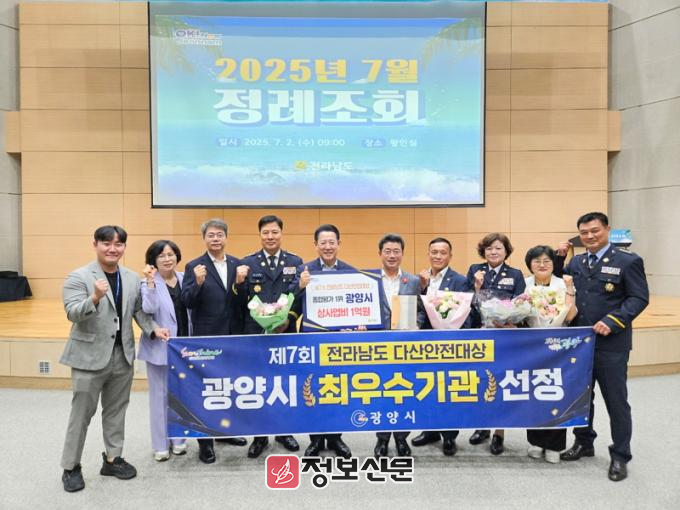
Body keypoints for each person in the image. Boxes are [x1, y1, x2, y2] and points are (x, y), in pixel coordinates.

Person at [60, 226, 169, 493]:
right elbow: (73, 313)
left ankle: (112, 459)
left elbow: (138, 311)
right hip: (89, 357)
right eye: (106, 243)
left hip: (123, 355)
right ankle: (71, 466)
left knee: (116, 411)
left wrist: (153, 328)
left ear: (124, 248)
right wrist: (94, 298)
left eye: (118, 244)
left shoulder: (130, 278)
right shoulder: (79, 276)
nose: (112, 249)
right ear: (95, 244)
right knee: (81, 414)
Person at [557, 212, 649, 482]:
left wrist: (613, 320)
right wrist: (558, 259)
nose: (590, 236)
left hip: (611, 344)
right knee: (582, 398)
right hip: (579, 344)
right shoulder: (577, 261)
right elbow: (563, 287)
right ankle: (584, 442)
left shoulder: (628, 261)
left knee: (616, 401)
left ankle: (620, 455)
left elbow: (639, 297)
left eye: (595, 231)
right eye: (584, 233)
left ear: (607, 229)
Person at [181, 219, 248, 463]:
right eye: (211, 235)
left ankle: (225, 432)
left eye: (220, 234)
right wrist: (198, 283)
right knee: (207, 389)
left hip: (233, 336)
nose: (216, 239)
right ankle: (205, 443)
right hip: (207, 338)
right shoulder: (194, 266)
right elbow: (187, 301)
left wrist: (240, 284)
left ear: (226, 237)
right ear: (204, 239)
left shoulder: (238, 264)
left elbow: (244, 303)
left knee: (229, 387)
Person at [240, 215, 302, 458]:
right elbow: (240, 300)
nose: (270, 236)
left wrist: (289, 319)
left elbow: (300, 297)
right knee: (260, 384)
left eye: (274, 232)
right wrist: (239, 282)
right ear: (260, 235)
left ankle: (285, 432)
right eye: (265, 232)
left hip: (286, 333)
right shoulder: (248, 263)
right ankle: (260, 436)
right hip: (257, 334)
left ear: (281, 234)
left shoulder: (295, 262)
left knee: (285, 384)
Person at [294, 224, 354, 459]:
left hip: (338, 341)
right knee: (313, 389)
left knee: (338, 388)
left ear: (339, 244)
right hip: (311, 339)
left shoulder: (350, 272)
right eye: (323, 243)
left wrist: (360, 323)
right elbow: (290, 301)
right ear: (316, 245)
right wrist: (300, 286)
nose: (327, 247)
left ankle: (336, 437)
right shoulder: (304, 270)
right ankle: (316, 440)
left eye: (332, 242)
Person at [467, 232, 526, 455]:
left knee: (501, 382)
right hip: (480, 334)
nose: (493, 252)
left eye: (498, 248)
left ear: (506, 251)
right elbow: (467, 302)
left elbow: (521, 303)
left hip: (505, 336)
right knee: (481, 381)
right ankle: (482, 426)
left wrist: (510, 320)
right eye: (489, 248)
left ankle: (499, 433)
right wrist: (477, 287)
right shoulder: (475, 270)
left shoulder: (515, 274)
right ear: (483, 251)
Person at [410, 237, 470, 456]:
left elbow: (466, 313)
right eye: (434, 252)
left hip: (449, 344)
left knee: (448, 391)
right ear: (428, 254)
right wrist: (422, 289)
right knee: (427, 388)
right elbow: (417, 309)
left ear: (450, 256)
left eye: (443, 253)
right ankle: (430, 431)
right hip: (425, 343)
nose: (438, 256)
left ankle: (449, 436)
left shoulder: (460, 280)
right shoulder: (420, 279)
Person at [523, 245, 577, 464]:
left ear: (554, 264)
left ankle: (554, 444)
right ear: (530, 265)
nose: (542, 264)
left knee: (556, 391)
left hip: (558, 345)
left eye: (546, 260)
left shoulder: (563, 283)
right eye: (537, 261)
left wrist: (570, 289)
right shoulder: (525, 284)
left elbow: (570, 316)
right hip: (531, 344)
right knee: (533, 390)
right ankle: (536, 441)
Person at [138, 240, 190, 462]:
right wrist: (150, 282)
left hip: (184, 347)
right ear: (153, 260)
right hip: (160, 347)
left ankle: (178, 439)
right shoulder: (147, 282)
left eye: (171, 254)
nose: (167, 259)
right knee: (159, 398)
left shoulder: (185, 278)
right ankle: (160, 444)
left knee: (180, 395)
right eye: (161, 256)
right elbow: (148, 309)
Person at [373, 234, 420, 458]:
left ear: (402, 254)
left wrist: (415, 325)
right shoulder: (370, 279)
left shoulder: (413, 281)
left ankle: (402, 438)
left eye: (396, 251)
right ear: (380, 253)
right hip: (377, 346)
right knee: (381, 393)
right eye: (387, 251)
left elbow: (421, 310)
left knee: (403, 391)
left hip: (404, 346)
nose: (392, 255)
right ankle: (382, 439)